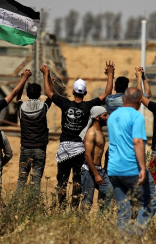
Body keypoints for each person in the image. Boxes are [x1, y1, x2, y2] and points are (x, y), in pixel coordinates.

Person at [41, 62, 115, 209]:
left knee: (61, 180)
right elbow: (107, 94)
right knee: (77, 181)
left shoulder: (65, 103)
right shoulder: (88, 106)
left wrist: (45, 74)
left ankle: (61, 207)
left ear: (73, 92)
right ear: (85, 93)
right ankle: (74, 209)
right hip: (80, 150)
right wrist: (110, 74)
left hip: (64, 149)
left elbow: (49, 93)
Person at [107, 87, 156, 236]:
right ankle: (134, 237)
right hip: (131, 168)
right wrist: (142, 168)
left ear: (123, 99)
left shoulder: (112, 116)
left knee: (124, 208)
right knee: (150, 203)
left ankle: (122, 238)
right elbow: (137, 142)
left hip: (114, 169)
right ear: (139, 101)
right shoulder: (136, 117)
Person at [15, 79, 52, 196]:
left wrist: (24, 78)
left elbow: (17, 96)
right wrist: (47, 75)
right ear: (40, 94)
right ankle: (33, 205)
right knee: (36, 181)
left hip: (25, 149)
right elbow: (50, 95)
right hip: (40, 149)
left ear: (27, 94)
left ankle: (16, 205)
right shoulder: (43, 107)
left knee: (21, 179)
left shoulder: (21, 107)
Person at [80, 106, 113, 212]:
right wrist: (96, 174)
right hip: (90, 171)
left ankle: (101, 220)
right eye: (105, 115)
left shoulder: (100, 132)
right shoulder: (91, 132)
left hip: (99, 170)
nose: (107, 117)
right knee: (87, 202)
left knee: (110, 193)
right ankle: (80, 225)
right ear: (97, 117)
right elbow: (87, 155)